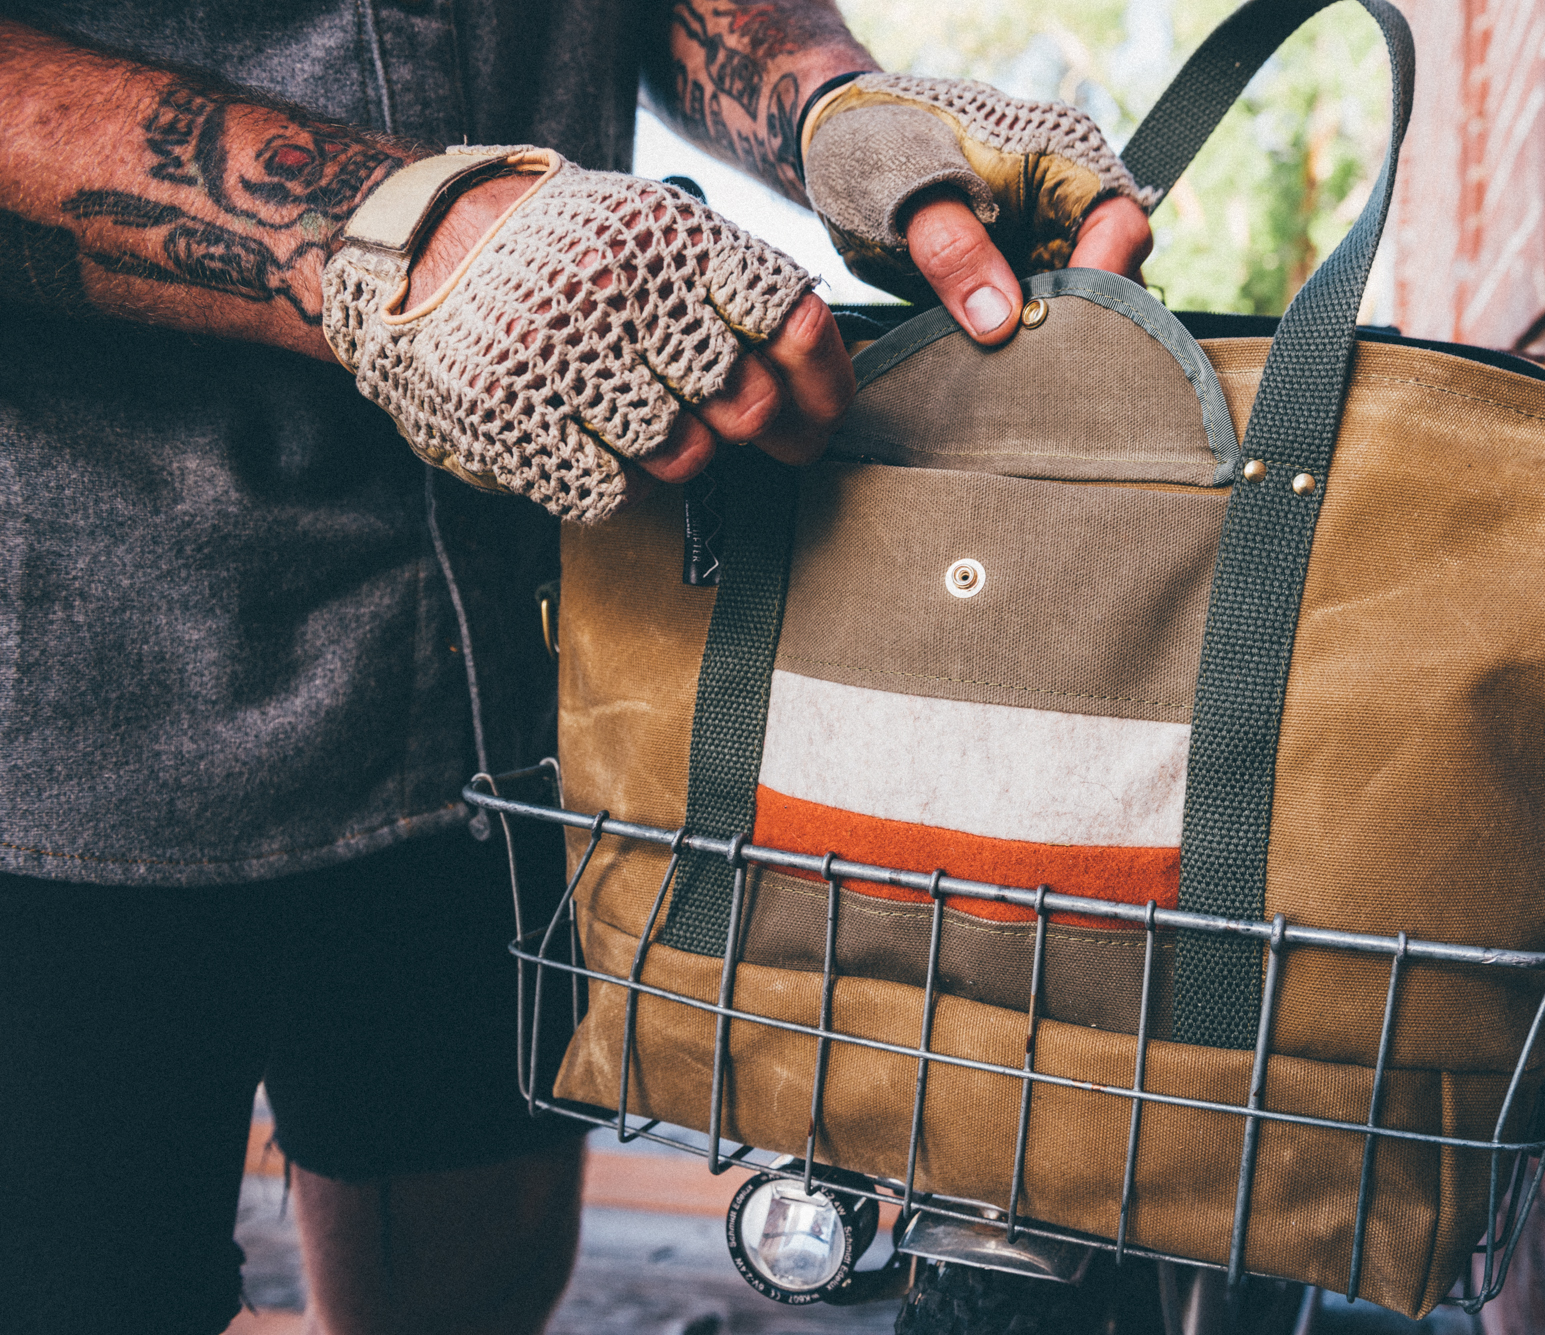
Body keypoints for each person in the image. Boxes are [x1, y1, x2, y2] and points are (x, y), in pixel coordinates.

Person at [0, 3, 1151, 1333]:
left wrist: (830, 104)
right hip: (66, 668)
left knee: (467, 1297)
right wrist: (389, 234)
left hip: (500, 656)